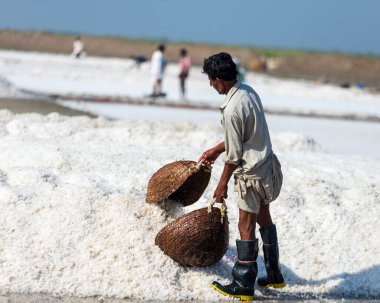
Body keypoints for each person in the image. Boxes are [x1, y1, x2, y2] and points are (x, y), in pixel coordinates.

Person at [198, 52, 285, 301]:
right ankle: (274, 275)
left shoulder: (231, 108)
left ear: (220, 80)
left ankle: (243, 284)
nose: (210, 85)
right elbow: (244, 135)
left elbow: (234, 157)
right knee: (264, 217)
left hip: (250, 176)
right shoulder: (248, 92)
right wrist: (215, 149)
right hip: (267, 167)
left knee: (245, 225)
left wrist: (221, 185)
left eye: (211, 80)